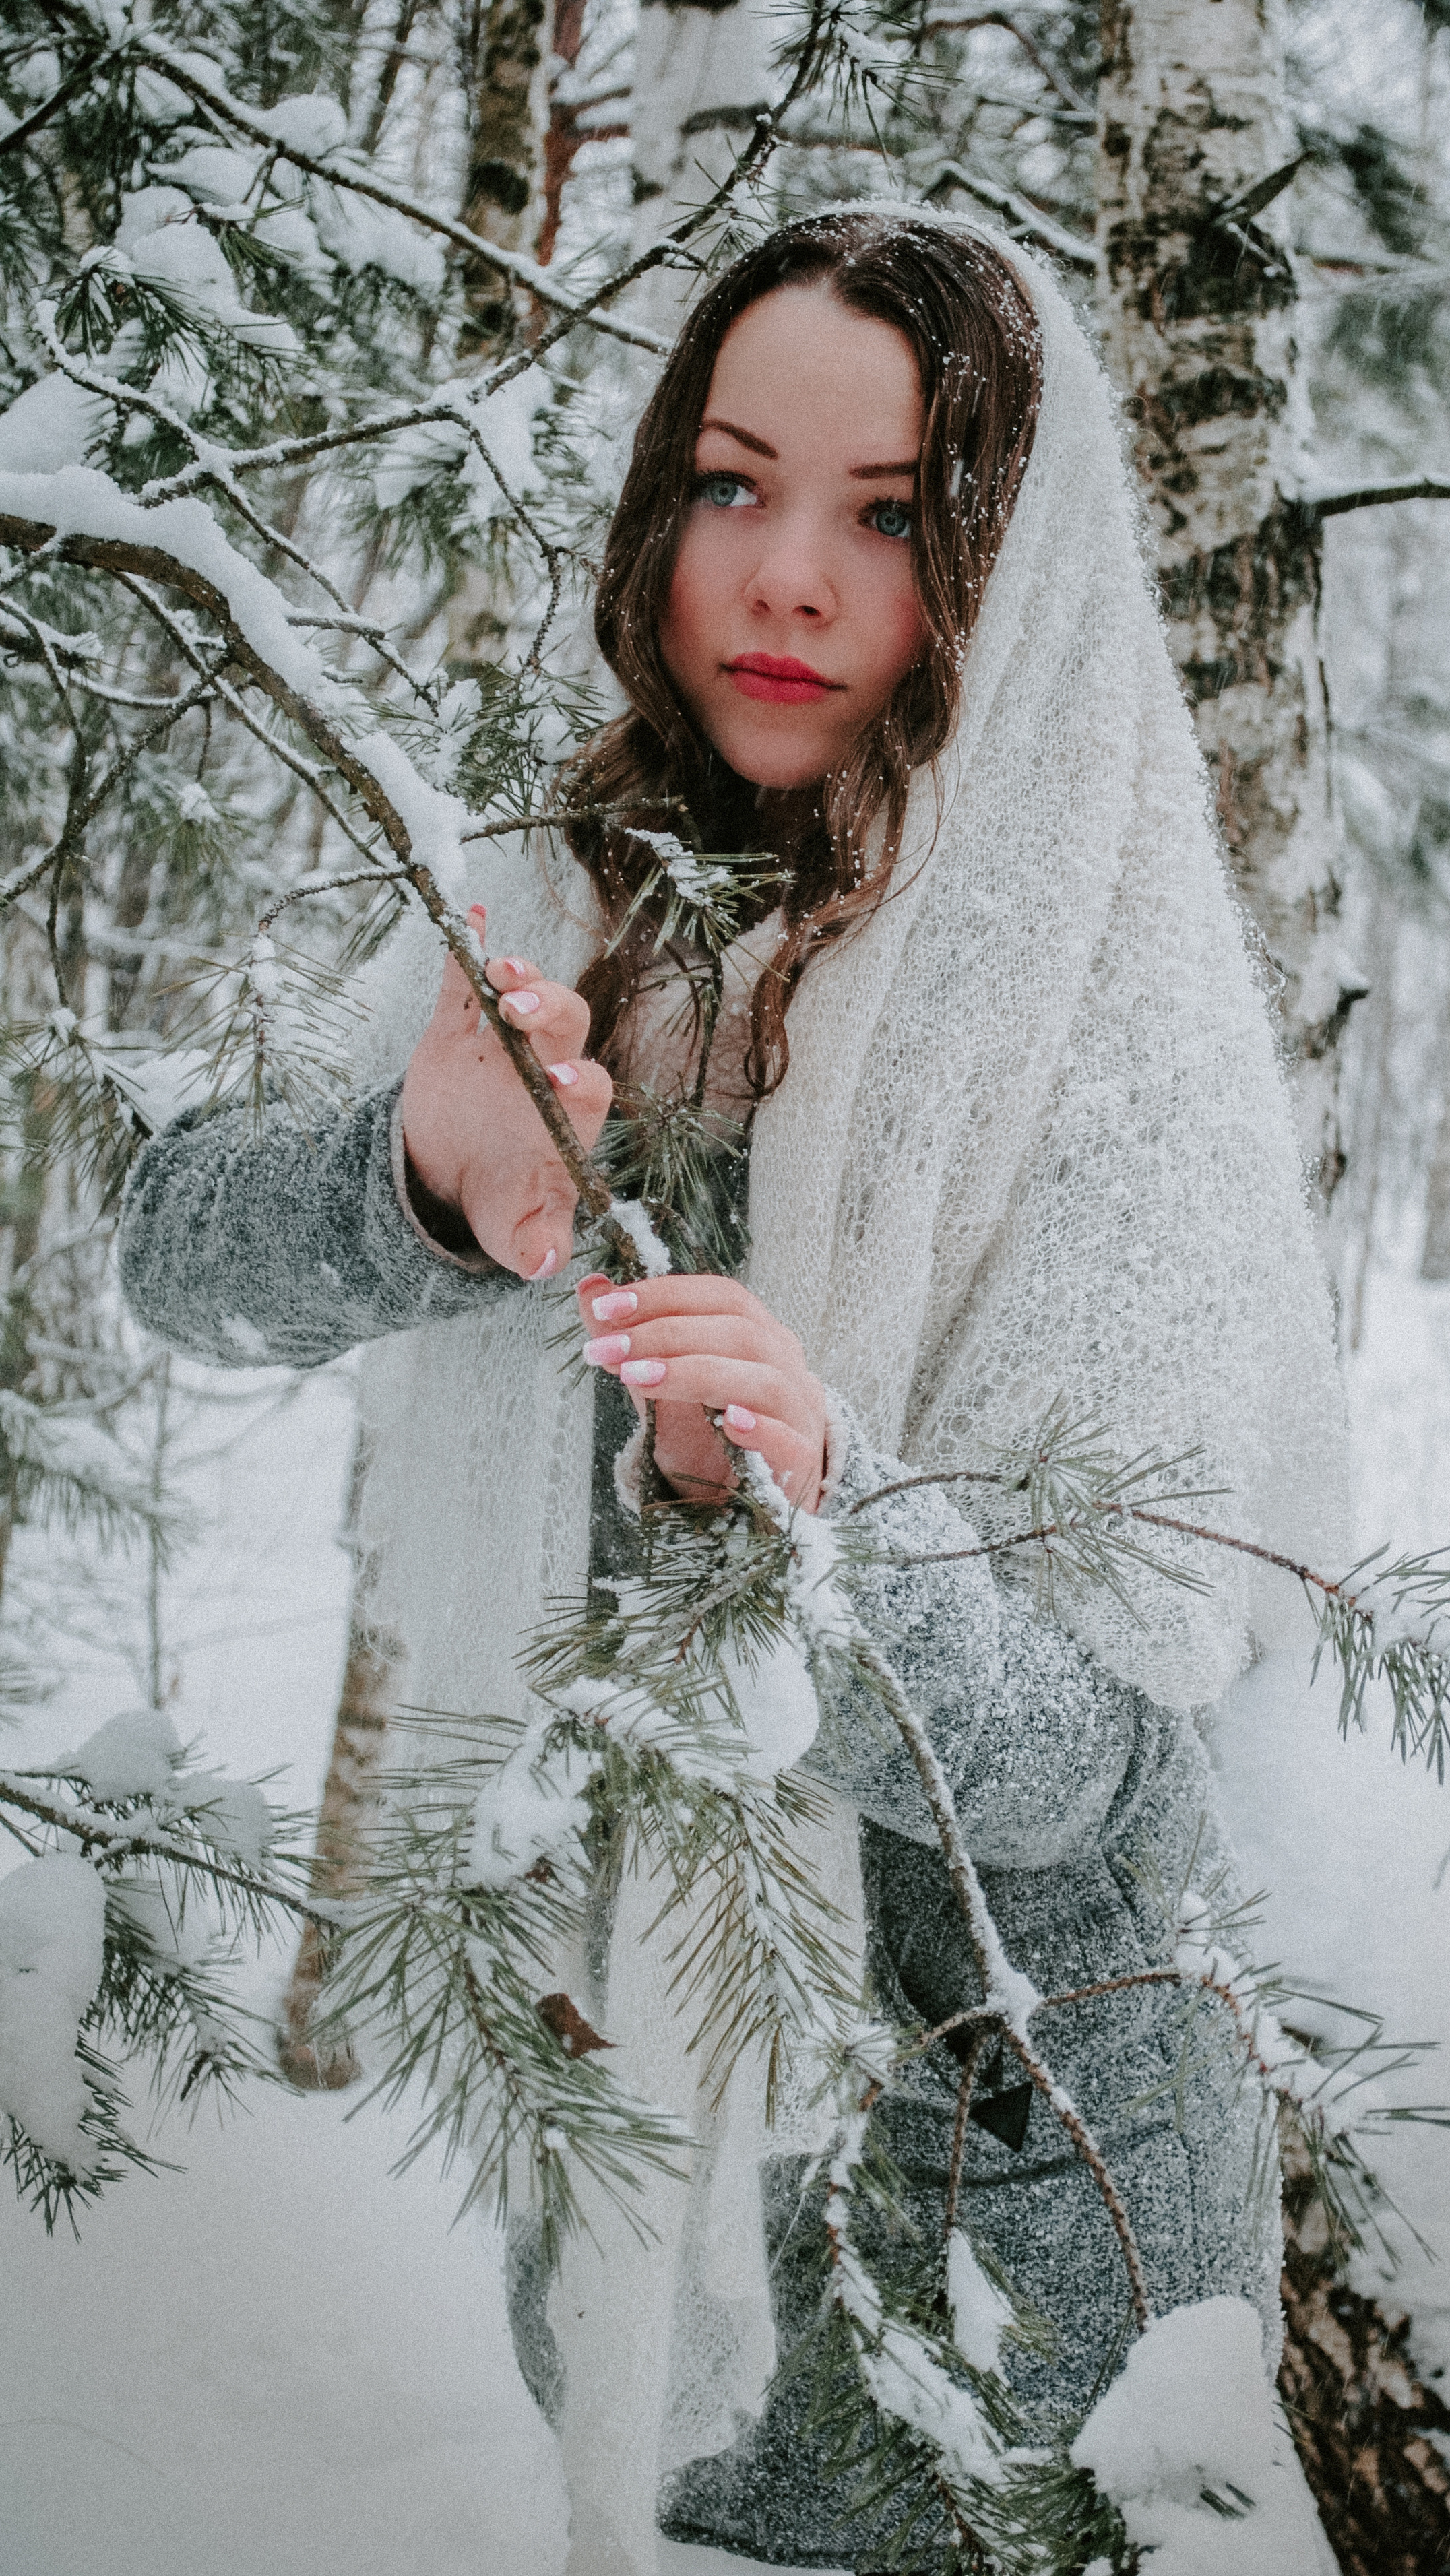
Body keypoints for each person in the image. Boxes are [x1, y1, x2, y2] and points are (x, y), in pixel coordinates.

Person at [119, 208, 1348, 2575]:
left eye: (889, 516)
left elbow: (1110, 1750)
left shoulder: (1110, 1010)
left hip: (1027, 2215)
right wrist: (415, 1170)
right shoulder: (549, 884)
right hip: (636, 2171)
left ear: (1002, 563)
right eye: (731, 480)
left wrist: (799, 1511)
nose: (788, 576)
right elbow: (170, 1250)